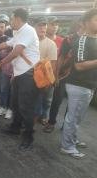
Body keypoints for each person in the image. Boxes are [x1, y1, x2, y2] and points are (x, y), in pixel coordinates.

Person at [0, 8, 40, 151]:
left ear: (18, 18)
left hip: (28, 74)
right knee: (15, 103)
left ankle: (28, 136)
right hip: (19, 73)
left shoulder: (28, 31)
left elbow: (16, 52)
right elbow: (8, 44)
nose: (10, 21)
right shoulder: (19, 32)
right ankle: (15, 127)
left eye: (12, 18)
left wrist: (0, 63)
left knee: (26, 107)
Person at [60, 9, 97, 158]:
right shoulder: (82, 40)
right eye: (96, 20)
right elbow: (79, 65)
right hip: (78, 84)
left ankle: (72, 140)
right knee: (73, 117)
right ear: (87, 22)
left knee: (78, 117)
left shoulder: (94, 39)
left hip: (89, 85)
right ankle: (67, 146)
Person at [43, 20, 86, 133]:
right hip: (63, 74)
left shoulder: (91, 40)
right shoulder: (69, 39)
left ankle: (66, 127)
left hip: (79, 77)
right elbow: (61, 57)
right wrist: (56, 75)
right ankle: (51, 122)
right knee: (57, 100)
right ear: (82, 24)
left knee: (72, 104)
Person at [34, 17, 58, 126]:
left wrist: (48, 80)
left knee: (47, 100)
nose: (42, 28)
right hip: (31, 76)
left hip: (44, 77)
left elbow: (52, 64)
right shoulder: (31, 41)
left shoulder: (51, 44)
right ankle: (33, 119)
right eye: (39, 26)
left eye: (44, 26)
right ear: (34, 28)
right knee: (35, 100)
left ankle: (44, 116)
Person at [0, 16, 13, 119]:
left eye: (2, 27)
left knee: (11, 89)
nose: (0, 29)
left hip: (12, 68)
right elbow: (0, 53)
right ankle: (3, 106)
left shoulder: (10, 39)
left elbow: (11, 53)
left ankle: (10, 109)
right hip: (2, 67)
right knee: (3, 88)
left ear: (6, 28)